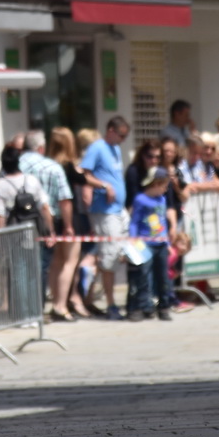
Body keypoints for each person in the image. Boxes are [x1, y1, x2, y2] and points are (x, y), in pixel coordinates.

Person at [79, 117, 131, 320]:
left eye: (126, 136)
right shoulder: (97, 147)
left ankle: (88, 296)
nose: (123, 140)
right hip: (104, 210)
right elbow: (84, 174)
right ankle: (111, 304)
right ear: (110, 130)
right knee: (109, 256)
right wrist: (103, 186)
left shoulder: (115, 148)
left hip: (118, 209)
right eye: (121, 135)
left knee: (116, 254)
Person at [126, 168, 175, 321]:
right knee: (144, 276)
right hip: (145, 242)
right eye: (164, 185)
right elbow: (134, 221)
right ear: (156, 183)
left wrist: (166, 241)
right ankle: (142, 306)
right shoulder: (140, 199)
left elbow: (162, 222)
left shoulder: (162, 199)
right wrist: (133, 238)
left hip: (160, 242)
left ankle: (164, 305)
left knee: (163, 277)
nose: (166, 189)